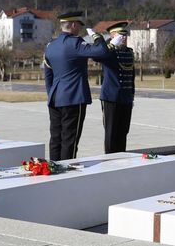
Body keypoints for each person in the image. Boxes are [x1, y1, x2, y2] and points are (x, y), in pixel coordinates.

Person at [43, 11, 111, 160]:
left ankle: (53, 167)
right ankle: (66, 169)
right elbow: (102, 51)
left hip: (55, 98)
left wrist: (51, 94)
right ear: (73, 25)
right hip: (73, 97)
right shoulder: (75, 43)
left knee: (56, 138)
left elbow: (48, 74)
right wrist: (97, 36)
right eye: (79, 25)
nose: (80, 29)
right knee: (70, 140)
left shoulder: (50, 46)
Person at [97, 22, 135, 154]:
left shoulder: (129, 52)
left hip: (126, 98)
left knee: (123, 132)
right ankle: (109, 159)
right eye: (120, 35)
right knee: (111, 132)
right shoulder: (108, 53)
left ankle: (121, 158)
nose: (123, 38)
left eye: (125, 36)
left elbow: (131, 77)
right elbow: (97, 55)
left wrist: (131, 96)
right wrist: (109, 45)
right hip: (111, 98)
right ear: (112, 36)